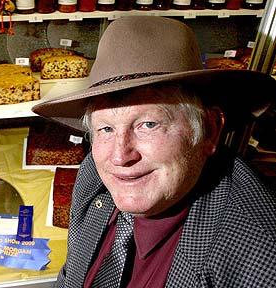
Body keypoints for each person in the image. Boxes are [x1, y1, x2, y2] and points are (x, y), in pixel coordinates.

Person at [32, 16, 276, 287]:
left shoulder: (259, 256)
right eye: (106, 129)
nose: (119, 156)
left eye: (148, 124)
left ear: (209, 130)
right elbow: (71, 277)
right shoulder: (93, 173)